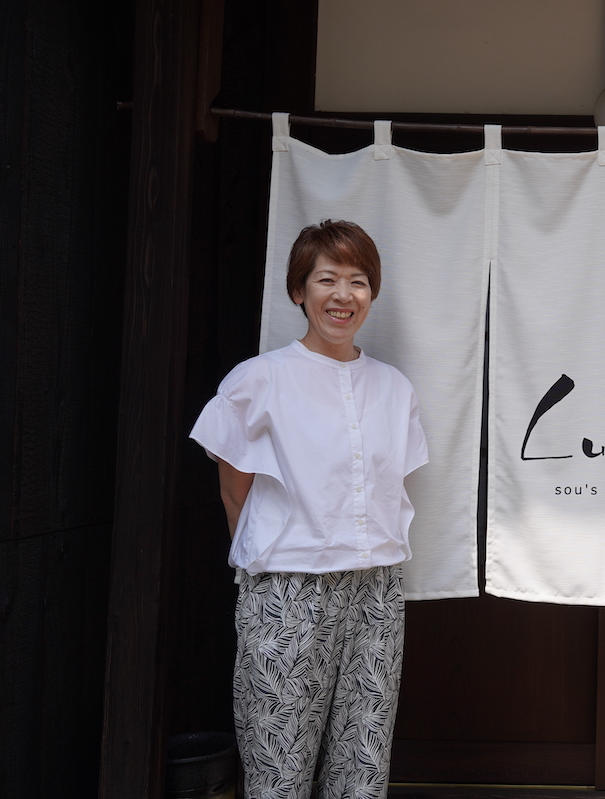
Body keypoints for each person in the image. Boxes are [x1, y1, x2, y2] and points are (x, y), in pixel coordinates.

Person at [190, 219, 428, 799]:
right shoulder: (258, 380)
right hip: (288, 588)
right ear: (299, 290)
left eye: (358, 281)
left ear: (372, 293)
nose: (343, 295)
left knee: (363, 763)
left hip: (376, 589)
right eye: (327, 279)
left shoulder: (394, 388)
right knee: (278, 765)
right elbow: (234, 494)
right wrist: (274, 564)